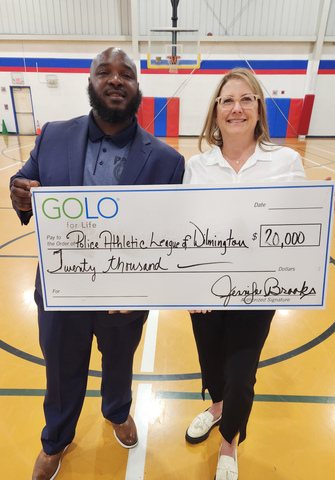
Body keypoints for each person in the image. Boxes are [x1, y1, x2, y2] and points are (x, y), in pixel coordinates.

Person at [10, 47, 185, 480]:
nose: (115, 79)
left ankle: (117, 412)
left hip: (123, 298)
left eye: (126, 74)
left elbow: (169, 238)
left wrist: (147, 291)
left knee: (120, 361)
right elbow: (27, 179)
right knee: (60, 368)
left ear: (137, 88)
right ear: (90, 82)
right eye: (104, 72)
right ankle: (55, 439)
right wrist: (19, 190)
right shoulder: (52, 136)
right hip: (61, 289)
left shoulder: (166, 161)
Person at [183, 68, 335, 480]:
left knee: (241, 374)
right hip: (206, 294)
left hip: (260, 292)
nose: (236, 108)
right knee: (211, 362)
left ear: (259, 108)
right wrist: (187, 288)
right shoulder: (197, 166)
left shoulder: (286, 161)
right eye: (227, 100)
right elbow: (182, 230)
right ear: (216, 112)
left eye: (246, 99)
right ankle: (216, 407)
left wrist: (322, 207)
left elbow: (296, 223)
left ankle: (229, 441)